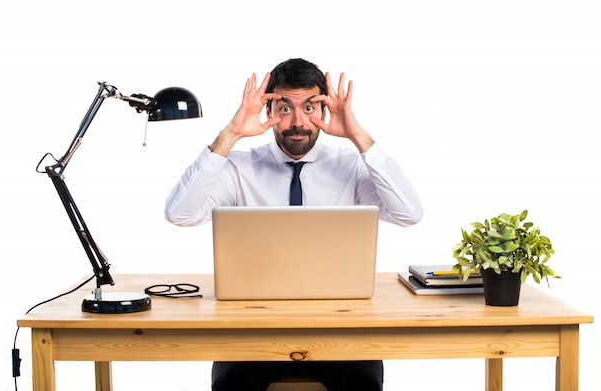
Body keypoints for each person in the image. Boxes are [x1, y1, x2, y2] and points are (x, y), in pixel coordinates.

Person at [164, 58, 423, 391]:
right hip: (252, 328)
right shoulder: (238, 167)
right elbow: (179, 214)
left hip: (340, 327)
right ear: (268, 110)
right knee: (231, 384)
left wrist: (358, 136)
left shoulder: (352, 166)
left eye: (311, 108)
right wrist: (230, 134)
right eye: (284, 109)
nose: (298, 122)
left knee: (362, 383)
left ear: (326, 112)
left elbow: (409, 213)